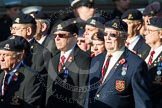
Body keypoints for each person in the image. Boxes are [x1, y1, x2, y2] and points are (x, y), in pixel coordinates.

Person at [85, 19, 152, 108]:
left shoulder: (135, 64)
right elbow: (89, 93)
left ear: (124, 37)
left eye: (112, 35)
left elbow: (141, 102)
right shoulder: (96, 59)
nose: (107, 38)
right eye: (105, 34)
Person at [46, 19, 91, 108]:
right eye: (55, 35)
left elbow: (83, 93)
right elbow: (49, 91)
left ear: (74, 37)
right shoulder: (53, 60)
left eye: (61, 35)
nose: (57, 38)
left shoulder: (82, 58)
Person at [0, 36, 43, 108]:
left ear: (19, 57)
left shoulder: (31, 77)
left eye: (6, 55)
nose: (1, 59)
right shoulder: (1, 75)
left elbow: (32, 105)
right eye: (0, 54)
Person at [144, 17, 162, 108]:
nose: (145, 33)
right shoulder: (143, 51)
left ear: (161, 34)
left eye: (150, 31)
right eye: (146, 30)